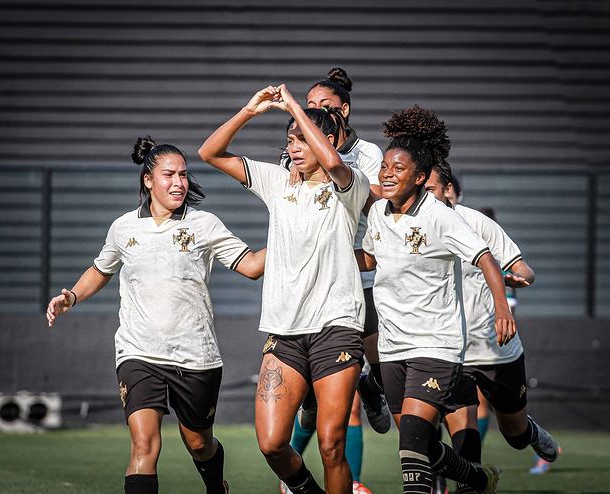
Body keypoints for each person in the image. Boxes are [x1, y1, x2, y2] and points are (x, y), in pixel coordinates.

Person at [46, 137, 266, 494]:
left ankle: (216, 487)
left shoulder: (204, 224)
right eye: (169, 174)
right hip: (138, 352)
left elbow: (252, 267)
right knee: (143, 446)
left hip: (195, 356)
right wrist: (71, 296)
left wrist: (291, 238)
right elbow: (101, 269)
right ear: (148, 180)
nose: (179, 182)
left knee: (199, 443)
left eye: (183, 174)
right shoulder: (123, 227)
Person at [198, 84, 370, 494]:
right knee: (272, 443)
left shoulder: (351, 185)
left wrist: (294, 105)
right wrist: (249, 111)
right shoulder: (279, 182)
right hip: (285, 332)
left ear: (329, 140)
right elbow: (210, 153)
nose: (293, 147)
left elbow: (334, 163)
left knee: (331, 444)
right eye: (289, 139)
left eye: (302, 138)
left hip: (337, 327)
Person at [356, 105, 514, 494]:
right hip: (392, 346)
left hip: (435, 345)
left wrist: (502, 309)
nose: (386, 174)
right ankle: (479, 479)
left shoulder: (441, 217)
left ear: (420, 177)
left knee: (411, 442)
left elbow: (486, 259)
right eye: (385, 167)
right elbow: (370, 259)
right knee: (420, 443)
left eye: (398, 168)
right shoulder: (377, 215)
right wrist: (324, 254)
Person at [281, 67, 387, 494]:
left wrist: (335, 174)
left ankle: (374, 385)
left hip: (362, 276)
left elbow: (378, 199)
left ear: (344, 110)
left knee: (374, 372)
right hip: (316, 284)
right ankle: (345, 481)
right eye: (308, 107)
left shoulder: (366, 154)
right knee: (339, 401)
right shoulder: (296, 151)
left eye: (324, 106)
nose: (314, 112)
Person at [424, 161, 560, 492]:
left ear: (448, 190)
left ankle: (529, 431)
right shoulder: (412, 228)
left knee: (514, 434)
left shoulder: (477, 223)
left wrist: (516, 278)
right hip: (449, 351)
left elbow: (524, 269)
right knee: (462, 440)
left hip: (495, 349)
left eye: (429, 189)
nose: (423, 196)